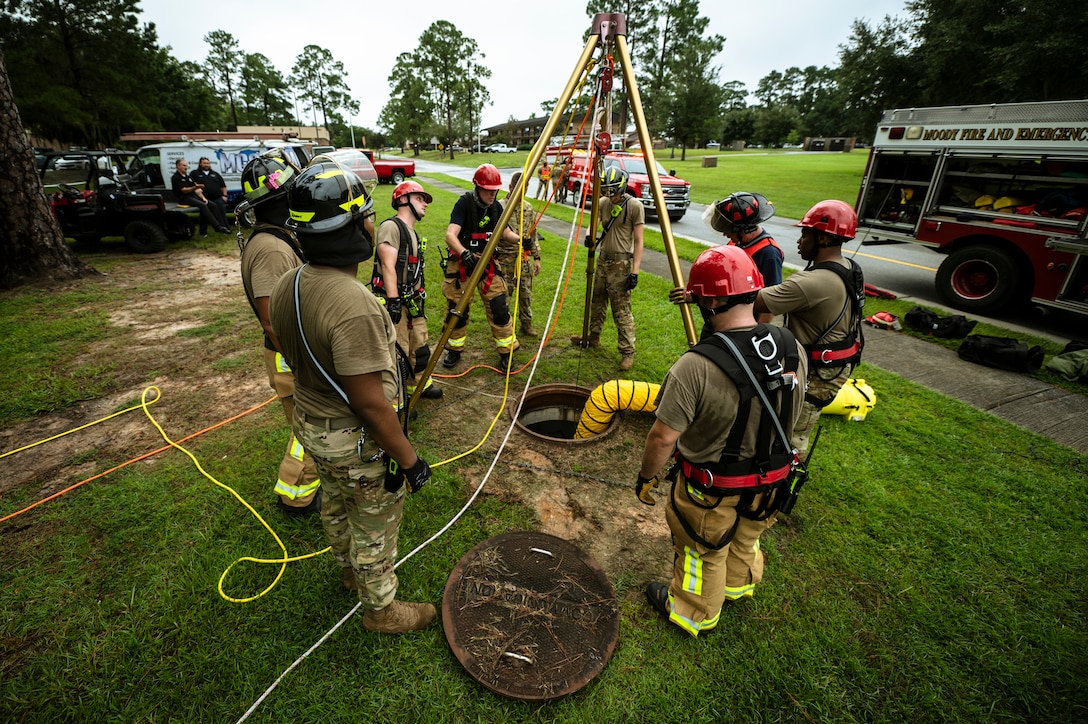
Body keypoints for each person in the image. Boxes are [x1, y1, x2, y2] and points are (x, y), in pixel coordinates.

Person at [269, 161, 435, 634]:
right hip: (354, 439)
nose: (370, 225)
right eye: (364, 216)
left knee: (337, 506)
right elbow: (368, 404)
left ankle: (349, 571)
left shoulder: (290, 282)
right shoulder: (352, 303)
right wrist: (408, 459)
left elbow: (288, 346)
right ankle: (382, 609)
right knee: (374, 522)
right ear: (349, 228)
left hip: (313, 427)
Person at [637, 245, 807, 637]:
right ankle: (739, 585)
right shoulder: (790, 345)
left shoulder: (695, 366)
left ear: (710, 300)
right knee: (747, 534)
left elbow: (663, 437)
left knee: (701, 549)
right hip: (772, 480)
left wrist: (647, 477)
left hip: (713, 489)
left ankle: (694, 611)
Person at [238, 150, 322, 516]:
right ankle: (295, 495)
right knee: (310, 426)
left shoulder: (276, 238)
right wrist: (309, 357)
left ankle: (300, 488)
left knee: (309, 423)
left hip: (293, 350)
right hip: (290, 354)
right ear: (281, 197)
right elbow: (273, 318)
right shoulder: (272, 249)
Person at [754, 200, 865, 454]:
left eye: (805, 233)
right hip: (833, 366)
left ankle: (781, 485)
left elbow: (753, 299)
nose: (799, 240)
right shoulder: (849, 268)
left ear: (823, 238)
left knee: (790, 439)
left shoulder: (812, 282)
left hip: (817, 374)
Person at [441, 163, 522, 371]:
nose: (493, 194)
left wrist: (521, 239)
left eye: (495, 190)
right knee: (457, 309)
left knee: (499, 307)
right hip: (462, 263)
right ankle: (454, 350)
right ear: (478, 187)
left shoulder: (497, 207)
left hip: (487, 264)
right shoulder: (464, 204)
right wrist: (464, 252)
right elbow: (450, 235)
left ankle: (507, 352)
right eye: (488, 190)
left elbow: (505, 233)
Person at [371, 180, 442, 401]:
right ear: (403, 200)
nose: (425, 204)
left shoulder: (411, 231)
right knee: (398, 351)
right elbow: (387, 265)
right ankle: (396, 401)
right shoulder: (391, 227)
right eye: (420, 198)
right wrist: (393, 302)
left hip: (412, 301)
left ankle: (418, 385)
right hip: (395, 301)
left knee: (419, 343)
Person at [571, 166, 644, 371]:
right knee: (597, 300)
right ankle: (593, 336)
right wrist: (588, 235)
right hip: (602, 260)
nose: (611, 196)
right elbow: (592, 224)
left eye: (614, 192)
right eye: (608, 192)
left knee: (621, 309)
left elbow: (639, 241)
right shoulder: (602, 203)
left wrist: (635, 271)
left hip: (621, 264)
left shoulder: (635, 206)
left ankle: (627, 351)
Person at [702, 192, 784, 324]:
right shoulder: (736, 242)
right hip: (724, 317)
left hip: (745, 323)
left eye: (729, 230)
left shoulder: (769, 253)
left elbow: (771, 302)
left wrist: (758, 331)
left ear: (745, 229)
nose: (725, 233)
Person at [497, 172, 542, 337]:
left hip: (523, 259)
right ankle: (506, 327)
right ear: (510, 187)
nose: (522, 193)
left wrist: (536, 257)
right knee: (504, 296)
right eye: (518, 189)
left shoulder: (528, 208)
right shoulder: (499, 207)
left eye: (525, 189)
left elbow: (533, 234)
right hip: (505, 259)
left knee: (526, 293)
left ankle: (526, 324)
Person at [170, 158, 229, 234]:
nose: (186, 167)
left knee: (213, 205)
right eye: (184, 165)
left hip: (193, 196)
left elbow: (197, 190)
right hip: (184, 198)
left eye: (186, 165)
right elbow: (184, 190)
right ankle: (217, 226)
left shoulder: (188, 177)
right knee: (203, 206)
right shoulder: (176, 177)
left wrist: (203, 198)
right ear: (178, 166)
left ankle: (221, 226)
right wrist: (195, 187)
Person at [192, 157, 231, 232]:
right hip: (204, 199)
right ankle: (203, 233)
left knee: (222, 214)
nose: (206, 165)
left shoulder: (215, 174)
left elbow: (223, 186)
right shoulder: (195, 173)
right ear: (200, 164)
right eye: (204, 163)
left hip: (217, 198)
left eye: (207, 163)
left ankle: (225, 229)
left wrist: (225, 196)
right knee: (204, 216)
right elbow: (192, 185)